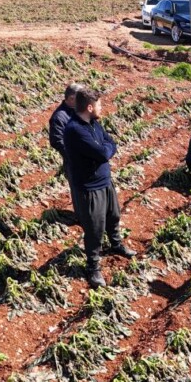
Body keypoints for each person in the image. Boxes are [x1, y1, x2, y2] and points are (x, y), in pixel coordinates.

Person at [64, 88, 136, 288]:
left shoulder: (94, 123)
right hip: (89, 187)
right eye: (99, 105)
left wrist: (106, 149)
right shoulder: (75, 130)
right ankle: (93, 267)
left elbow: (110, 143)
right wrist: (105, 150)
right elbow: (104, 153)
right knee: (94, 229)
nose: (102, 108)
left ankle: (116, 244)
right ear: (89, 107)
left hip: (105, 181)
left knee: (113, 216)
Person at [49, 83, 84, 212]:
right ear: (71, 98)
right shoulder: (59, 117)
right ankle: (82, 217)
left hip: (87, 157)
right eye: (80, 97)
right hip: (74, 160)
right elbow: (56, 140)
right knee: (79, 190)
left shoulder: (79, 109)